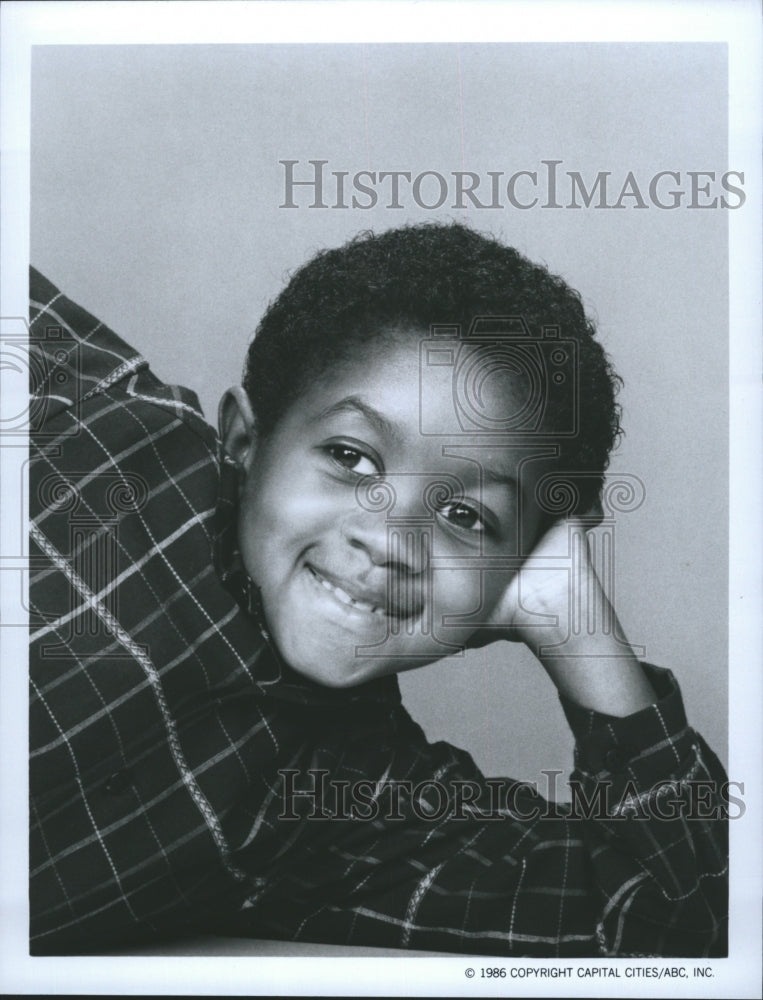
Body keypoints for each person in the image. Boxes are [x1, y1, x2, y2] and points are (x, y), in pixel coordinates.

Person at [28, 223, 728, 957]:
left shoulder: (346, 809)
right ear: (243, 439)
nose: (390, 540)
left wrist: (577, 628)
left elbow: (672, 920)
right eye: (352, 458)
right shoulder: (91, 424)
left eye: (466, 517)